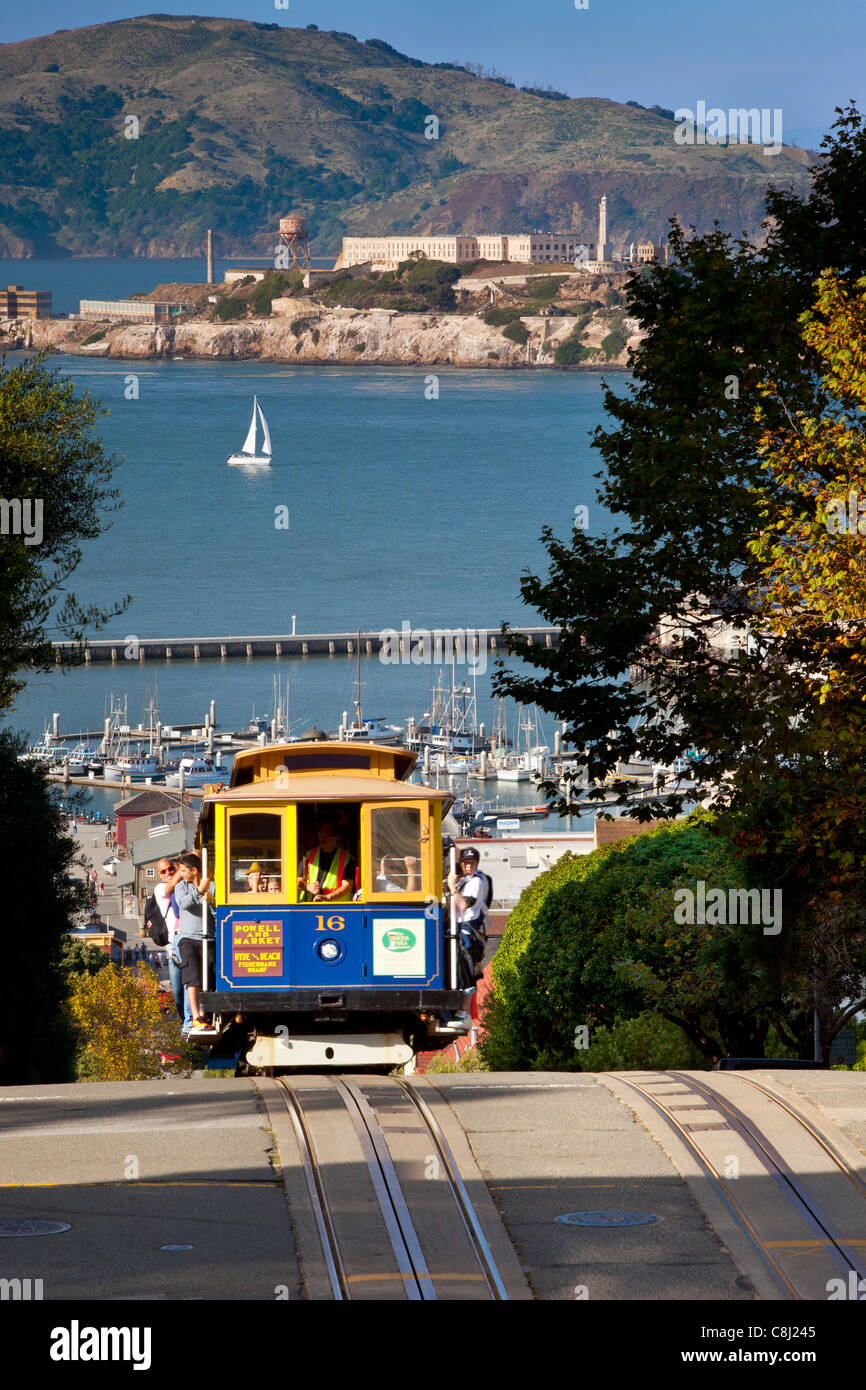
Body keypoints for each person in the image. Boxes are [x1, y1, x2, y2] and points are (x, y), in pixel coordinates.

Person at [164, 852, 216, 1034]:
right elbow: (183, 904)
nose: (182, 874)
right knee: (192, 978)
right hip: (188, 939)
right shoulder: (181, 887)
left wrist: (209, 900)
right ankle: (195, 1018)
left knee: (206, 979)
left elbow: (217, 913)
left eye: (184, 871)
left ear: (194, 871)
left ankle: (205, 1015)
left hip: (208, 937)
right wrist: (199, 891)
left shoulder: (213, 886)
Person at [152, 857, 192, 1035]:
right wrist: (181, 871)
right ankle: (185, 1020)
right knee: (177, 992)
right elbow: (169, 887)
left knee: (189, 983)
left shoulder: (184, 886)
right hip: (172, 945)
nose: (168, 873)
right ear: (159, 875)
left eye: (170, 869)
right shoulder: (161, 889)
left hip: (187, 939)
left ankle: (189, 1024)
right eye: (163, 871)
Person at [447, 846, 491, 998]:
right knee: (467, 969)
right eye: (465, 863)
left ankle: (466, 1012)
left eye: (472, 863)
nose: (468, 866)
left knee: (467, 971)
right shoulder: (466, 879)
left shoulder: (476, 881)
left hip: (468, 929)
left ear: (477, 863)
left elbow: (463, 905)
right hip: (463, 927)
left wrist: (452, 887)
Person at [298, 820, 355, 903]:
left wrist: (328, 897)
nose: (322, 837)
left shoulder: (347, 859)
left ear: (336, 837)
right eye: (320, 834)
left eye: (326, 834)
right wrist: (307, 887)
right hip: (308, 906)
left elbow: (347, 886)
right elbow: (297, 881)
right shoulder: (308, 855)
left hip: (335, 909)